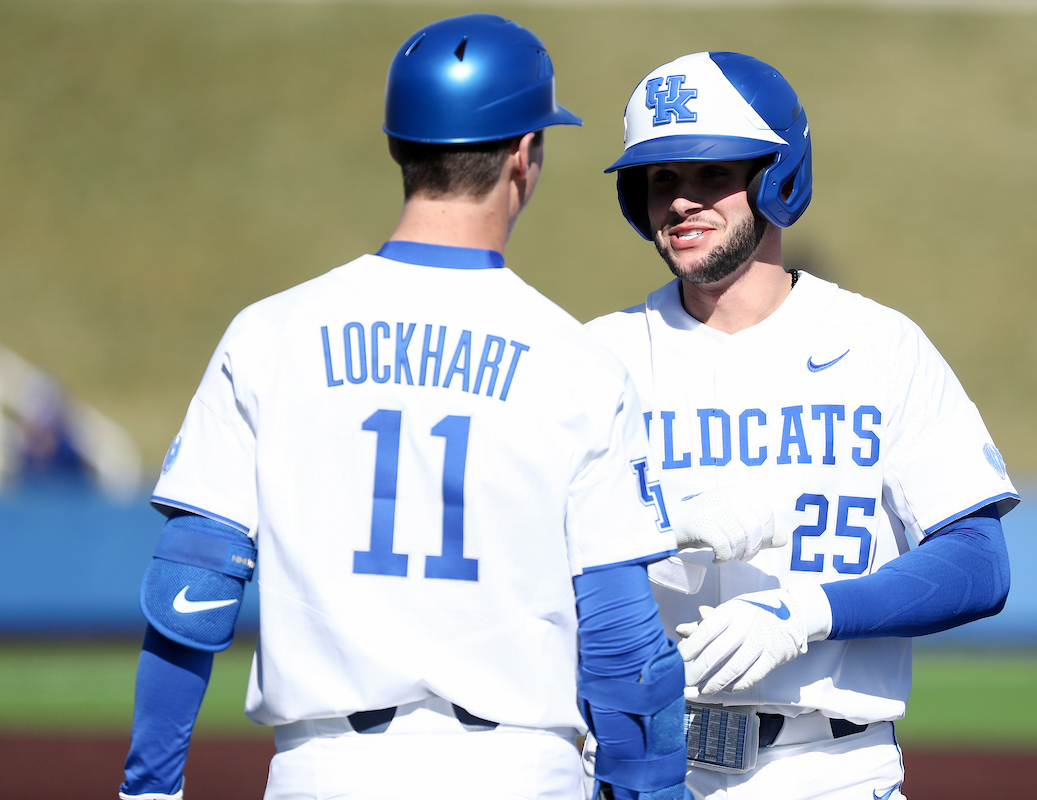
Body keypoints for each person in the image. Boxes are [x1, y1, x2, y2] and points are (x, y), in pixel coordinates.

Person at [118, 15, 691, 800]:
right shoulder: (578, 363)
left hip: (324, 772)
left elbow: (192, 593)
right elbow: (624, 642)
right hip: (518, 772)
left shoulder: (270, 332)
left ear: (398, 145)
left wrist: (147, 788)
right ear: (524, 154)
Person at [584, 52, 1019, 800]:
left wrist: (807, 612)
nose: (681, 202)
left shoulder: (880, 345)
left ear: (776, 177)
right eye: (660, 180)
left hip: (836, 771)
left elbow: (978, 563)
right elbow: (520, 559)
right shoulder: (596, 358)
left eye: (709, 173)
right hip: (649, 767)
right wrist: (655, 532)